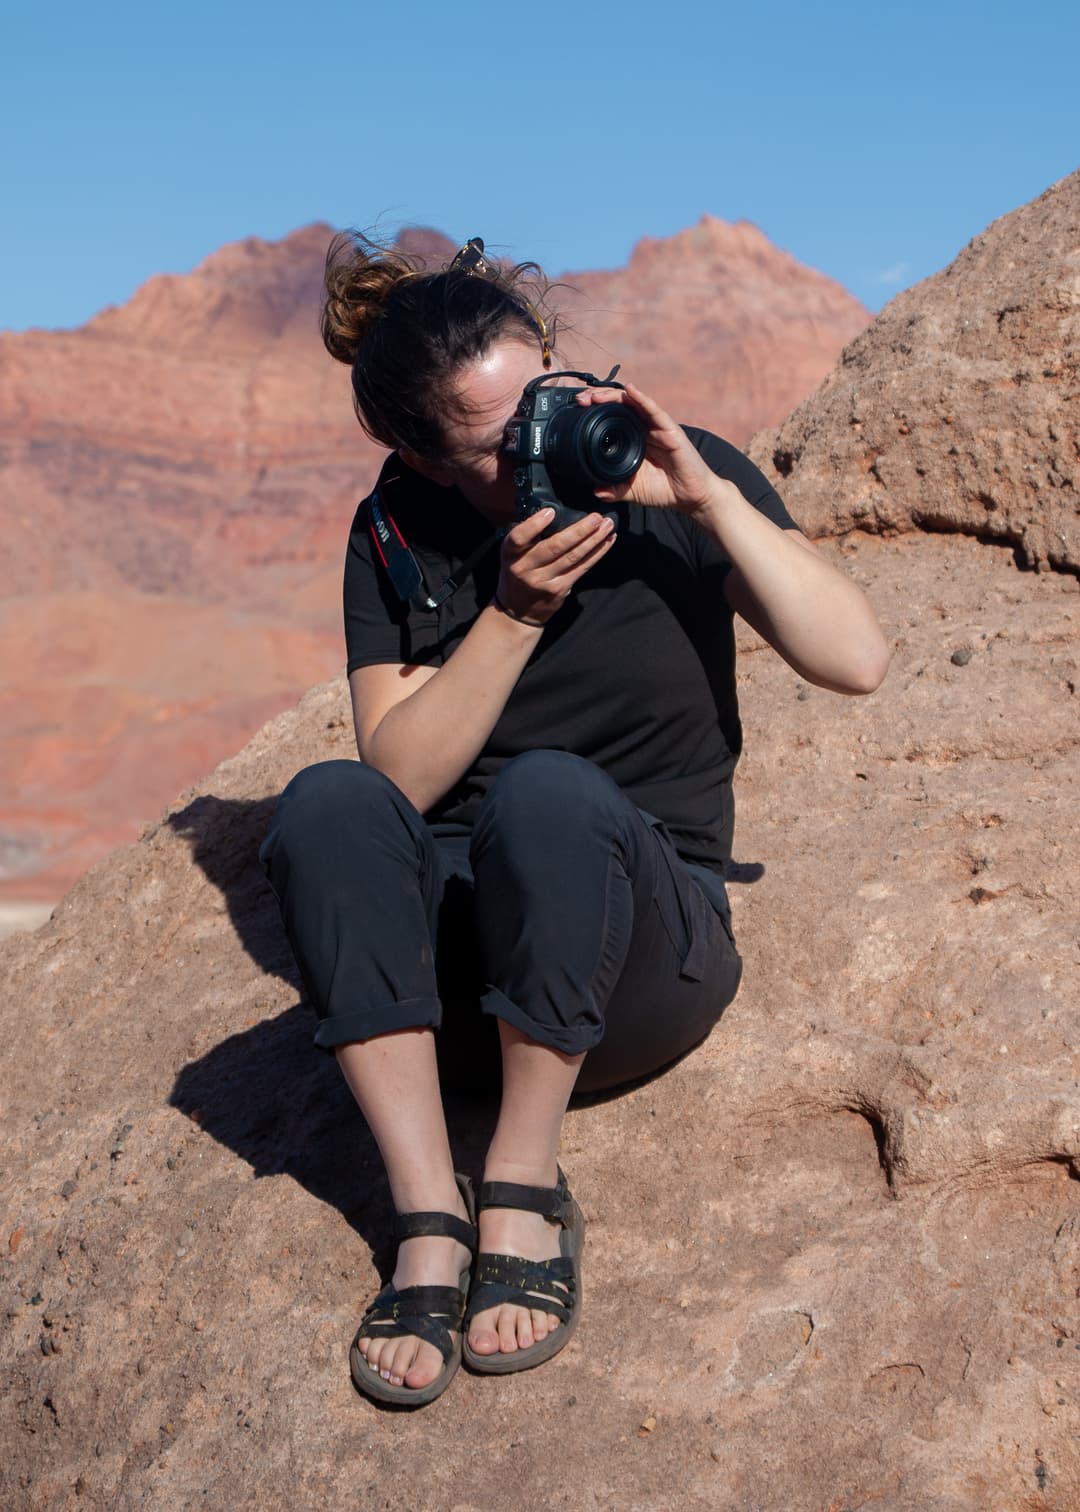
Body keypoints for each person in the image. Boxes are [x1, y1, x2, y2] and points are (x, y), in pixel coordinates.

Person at [260, 232, 890, 1408]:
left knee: (549, 794)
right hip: (459, 981)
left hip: (639, 954)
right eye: (500, 445)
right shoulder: (399, 529)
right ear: (421, 455)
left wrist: (702, 498)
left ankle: (519, 1181)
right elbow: (394, 774)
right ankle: (429, 1218)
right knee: (324, 804)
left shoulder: (671, 474)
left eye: (545, 394)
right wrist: (510, 612)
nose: (545, 441)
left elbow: (854, 659)